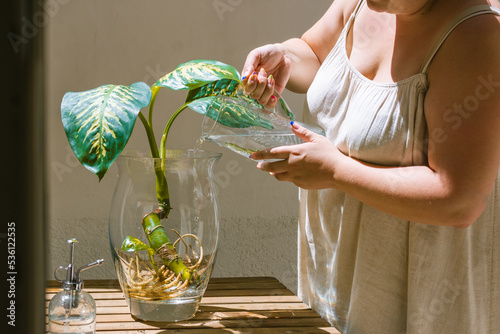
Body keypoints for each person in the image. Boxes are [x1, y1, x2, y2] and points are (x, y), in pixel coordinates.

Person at [242, 0, 500, 332]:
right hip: (338, 285)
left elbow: (460, 200)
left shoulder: (477, 37)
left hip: (423, 307)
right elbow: (315, 53)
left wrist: (335, 172)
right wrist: (285, 57)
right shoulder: (364, 3)